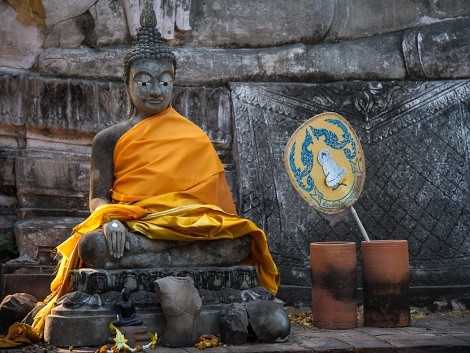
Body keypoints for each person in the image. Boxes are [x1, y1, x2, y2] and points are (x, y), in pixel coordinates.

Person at [31, 0, 279, 337]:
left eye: (164, 81)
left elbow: (212, 207)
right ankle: (168, 261)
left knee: (238, 242)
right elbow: (97, 198)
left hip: (185, 228)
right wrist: (112, 219)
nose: (155, 90)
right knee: (94, 247)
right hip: (135, 228)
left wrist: (177, 231)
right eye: (144, 81)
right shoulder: (108, 138)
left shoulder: (192, 136)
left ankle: (153, 260)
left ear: (174, 83)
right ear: (128, 82)